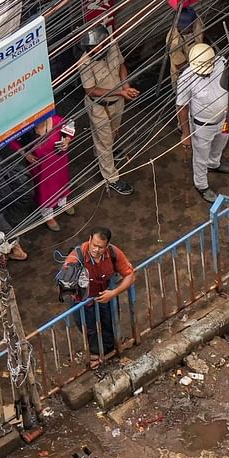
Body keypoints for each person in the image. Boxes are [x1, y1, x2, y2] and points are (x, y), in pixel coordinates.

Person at [61, 228, 137, 368]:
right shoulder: (75, 257)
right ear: (89, 240)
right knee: (89, 328)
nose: (96, 250)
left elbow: (130, 275)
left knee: (110, 320)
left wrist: (114, 292)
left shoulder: (113, 253)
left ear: (107, 246)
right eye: (94, 245)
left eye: (100, 247)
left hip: (105, 295)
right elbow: (65, 284)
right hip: (82, 301)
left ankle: (111, 346)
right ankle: (95, 354)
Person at [77, 24, 136, 197]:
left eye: (100, 45)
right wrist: (120, 91)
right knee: (104, 142)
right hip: (99, 107)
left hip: (118, 101)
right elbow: (91, 91)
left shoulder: (113, 47)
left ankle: (106, 151)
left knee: (113, 132)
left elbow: (122, 66)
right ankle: (111, 177)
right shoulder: (85, 63)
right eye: (92, 48)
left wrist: (126, 85)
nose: (97, 50)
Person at [174, 43, 229, 204]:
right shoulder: (186, 78)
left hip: (223, 118)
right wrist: (185, 133)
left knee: (222, 141)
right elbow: (182, 107)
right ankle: (201, 185)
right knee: (200, 156)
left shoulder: (221, 63)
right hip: (202, 126)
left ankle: (214, 163)